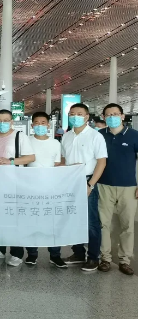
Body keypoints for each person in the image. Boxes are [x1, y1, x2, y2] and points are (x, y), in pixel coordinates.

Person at [61, 103, 107, 272]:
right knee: (72, 219)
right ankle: (78, 253)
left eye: (79, 114)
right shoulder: (66, 136)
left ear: (87, 117)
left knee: (91, 221)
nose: (76, 117)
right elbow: (63, 159)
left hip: (87, 180)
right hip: (69, 181)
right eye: (72, 114)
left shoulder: (95, 136)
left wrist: (90, 184)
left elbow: (101, 162)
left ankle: (93, 257)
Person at [0, 109, 35, 267]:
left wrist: (10, 161)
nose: (2, 123)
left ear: (12, 121)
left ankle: (17, 253)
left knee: (14, 218)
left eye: (6, 120)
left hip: (15, 183)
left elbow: (30, 157)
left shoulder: (19, 136)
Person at [97, 103, 137, 275]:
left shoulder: (134, 135)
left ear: (122, 116)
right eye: (108, 115)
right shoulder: (99, 135)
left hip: (128, 187)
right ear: (103, 117)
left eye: (115, 114)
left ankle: (124, 260)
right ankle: (105, 258)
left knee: (127, 225)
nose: (112, 117)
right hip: (103, 185)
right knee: (103, 224)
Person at [23, 112, 65, 268]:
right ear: (32, 125)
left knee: (52, 223)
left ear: (48, 125)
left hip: (50, 188)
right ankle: (32, 254)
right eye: (36, 123)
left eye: (43, 123)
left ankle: (55, 255)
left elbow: (56, 164)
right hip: (29, 188)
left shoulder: (55, 143)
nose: (40, 126)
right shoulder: (26, 141)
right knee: (31, 222)